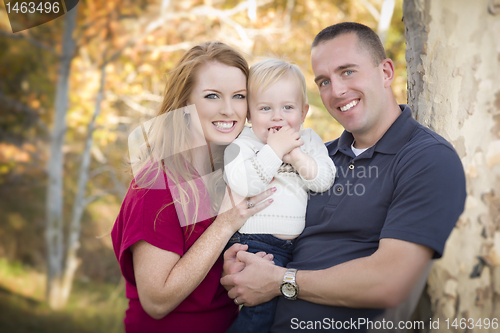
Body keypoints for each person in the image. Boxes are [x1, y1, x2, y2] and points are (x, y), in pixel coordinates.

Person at [221, 22, 467, 332]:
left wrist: (280, 282)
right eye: (324, 81)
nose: (336, 90)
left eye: (348, 71)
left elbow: (389, 283)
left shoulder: (426, 158)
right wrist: (241, 263)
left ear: (386, 72)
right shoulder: (318, 157)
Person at [111, 41, 277, 333]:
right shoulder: (156, 184)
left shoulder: (232, 175)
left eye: (239, 96)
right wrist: (225, 224)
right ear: (185, 103)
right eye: (212, 96)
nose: (228, 110)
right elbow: (156, 300)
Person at [223, 58, 336, 333]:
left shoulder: (308, 140)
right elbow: (244, 183)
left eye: (288, 107)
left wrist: (295, 154)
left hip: (296, 248)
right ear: (249, 114)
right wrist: (274, 150)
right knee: (259, 316)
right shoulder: (242, 144)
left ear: (304, 112)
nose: (277, 116)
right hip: (255, 243)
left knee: (285, 313)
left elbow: (323, 180)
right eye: (265, 108)